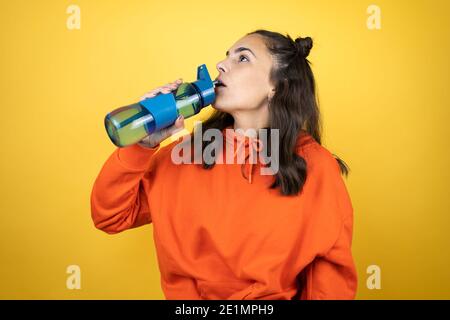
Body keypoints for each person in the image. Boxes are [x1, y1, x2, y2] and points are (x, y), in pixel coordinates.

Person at [90, 29, 358, 300]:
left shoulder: (315, 167)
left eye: (242, 59)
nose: (221, 65)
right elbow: (111, 216)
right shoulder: (184, 155)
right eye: (226, 56)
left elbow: (329, 279)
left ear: (277, 85)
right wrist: (143, 144)